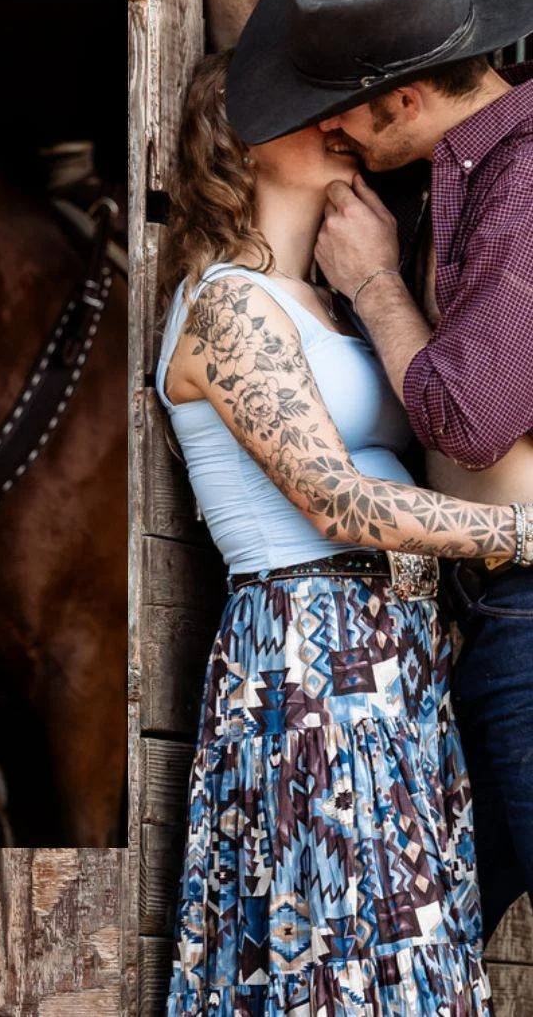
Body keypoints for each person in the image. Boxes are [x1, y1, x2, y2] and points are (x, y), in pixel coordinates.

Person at [180, 0, 533, 943]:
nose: (329, 123)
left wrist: (379, 284)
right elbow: (267, 122)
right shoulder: (436, 170)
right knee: (406, 945)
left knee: (412, 941)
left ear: (403, 100)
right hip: (399, 647)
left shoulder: (515, 185)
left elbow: (470, 418)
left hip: (489, 619)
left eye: (347, 106)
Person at [159, 49, 516, 1012]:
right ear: (240, 141)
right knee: (339, 951)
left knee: (403, 951)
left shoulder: (329, 305)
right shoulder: (229, 303)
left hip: (394, 656)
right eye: (306, 106)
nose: (338, 121)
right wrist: (522, 532)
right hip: (309, 656)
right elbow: (337, 501)